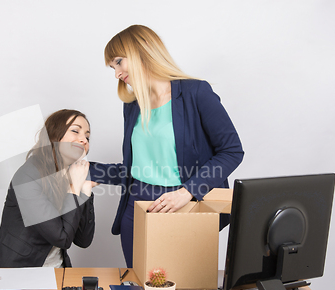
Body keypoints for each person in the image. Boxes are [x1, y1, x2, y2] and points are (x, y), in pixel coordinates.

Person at [89, 25, 244, 268]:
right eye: (112, 67)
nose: (117, 73)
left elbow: (232, 151)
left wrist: (187, 192)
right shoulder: (132, 105)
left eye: (119, 62)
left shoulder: (196, 92)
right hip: (136, 206)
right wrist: (88, 171)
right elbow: (138, 168)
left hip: (182, 205)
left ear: (142, 50)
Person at [0, 109, 95, 268]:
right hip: (18, 271)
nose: (84, 140)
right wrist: (74, 188)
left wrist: (84, 190)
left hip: (58, 271)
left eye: (87, 136)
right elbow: (62, 238)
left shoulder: (71, 174)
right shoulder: (28, 177)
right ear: (54, 135)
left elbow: (83, 240)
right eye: (75, 131)